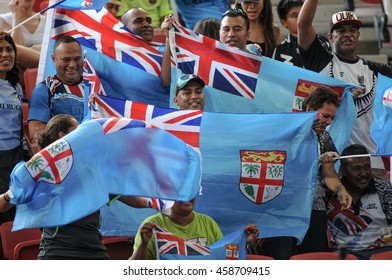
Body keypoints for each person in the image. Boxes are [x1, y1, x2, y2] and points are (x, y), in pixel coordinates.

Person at [250, 86, 352, 259]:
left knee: (313, 260)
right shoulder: (285, 132)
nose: (328, 122)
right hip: (282, 208)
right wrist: (316, 157)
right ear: (310, 110)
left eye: (332, 118)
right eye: (325, 116)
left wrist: (340, 190)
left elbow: (328, 173)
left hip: (313, 208)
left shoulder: (325, 138)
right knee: (281, 260)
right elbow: (275, 166)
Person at [297, 0, 392, 179]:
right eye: (341, 30)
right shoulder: (320, 61)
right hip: (333, 161)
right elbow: (303, 24)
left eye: (352, 30)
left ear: (358, 35)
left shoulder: (376, 71)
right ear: (330, 37)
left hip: (371, 161)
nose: (348, 34)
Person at [130, 197, 259, 260]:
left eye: (191, 192)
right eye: (182, 194)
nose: (187, 198)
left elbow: (221, 256)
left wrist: (242, 241)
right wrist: (143, 245)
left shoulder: (207, 222)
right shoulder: (151, 225)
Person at [327, 144, 392, 260]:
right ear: (343, 171)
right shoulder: (329, 193)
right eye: (356, 169)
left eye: (367, 167)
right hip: (345, 255)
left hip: (382, 253)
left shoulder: (383, 189)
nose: (363, 173)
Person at [28, 36, 84, 145]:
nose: (72, 65)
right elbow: (36, 133)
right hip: (63, 156)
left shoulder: (94, 86)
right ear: (54, 59)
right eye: (66, 59)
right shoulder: (44, 90)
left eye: (77, 59)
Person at [0, 31, 23, 225]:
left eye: (9, 49)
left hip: (15, 156)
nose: (5, 54)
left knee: (14, 210)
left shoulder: (16, 86)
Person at [272, 0, 330, 67]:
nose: (301, 18)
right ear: (284, 22)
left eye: (303, 14)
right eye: (295, 15)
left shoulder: (322, 41)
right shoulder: (280, 50)